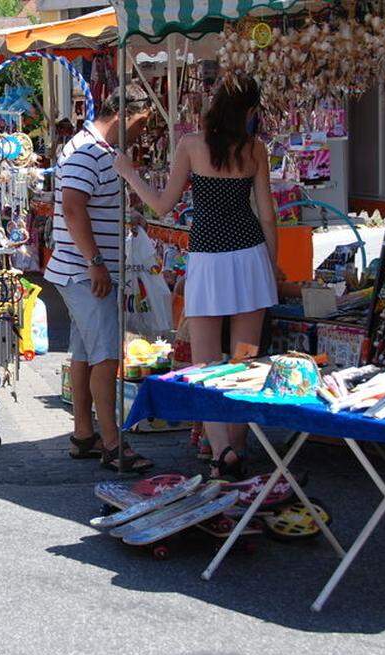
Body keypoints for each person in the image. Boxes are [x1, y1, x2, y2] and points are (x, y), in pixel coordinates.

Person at [115, 74, 279, 480]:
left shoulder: (190, 145)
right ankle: (236, 444)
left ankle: (221, 450)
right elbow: (268, 214)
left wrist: (131, 174)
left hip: (209, 258)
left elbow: (162, 205)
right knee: (245, 361)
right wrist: (271, 267)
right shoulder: (256, 149)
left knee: (206, 365)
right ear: (250, 112)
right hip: (251, 257)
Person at [46, 83, 154, 473]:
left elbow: (83, 206)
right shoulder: (88, 151)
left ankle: (84, 434)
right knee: (107, 356)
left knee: (86, 354)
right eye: (141, 123)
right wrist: (95, 261)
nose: (142, 132)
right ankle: (113, 443)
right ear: (125, 115)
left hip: (81, 268)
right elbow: (73, 209)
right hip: (84, 270)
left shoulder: (92, 149)